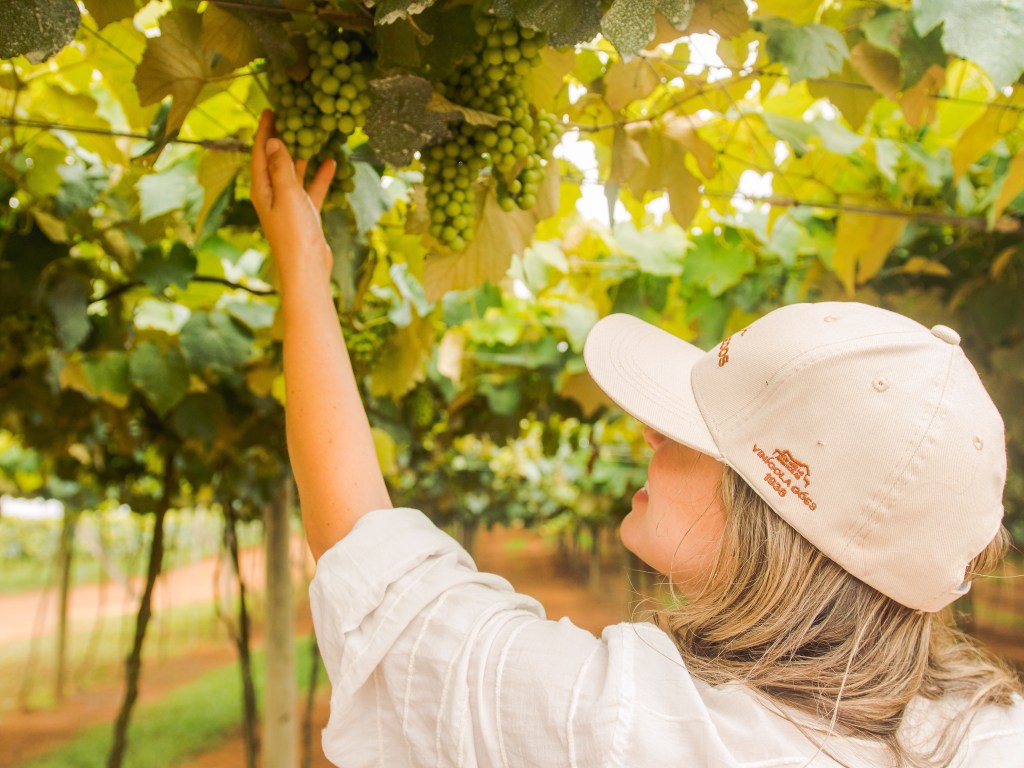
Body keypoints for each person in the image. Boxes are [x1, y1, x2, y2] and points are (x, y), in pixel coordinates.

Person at [249, 109, 1024, 767]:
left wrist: (303, 273)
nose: (651, 430)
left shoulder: (631, 732)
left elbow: (382, 580)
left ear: (773, 516)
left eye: (697, 433)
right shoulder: (993, 735)